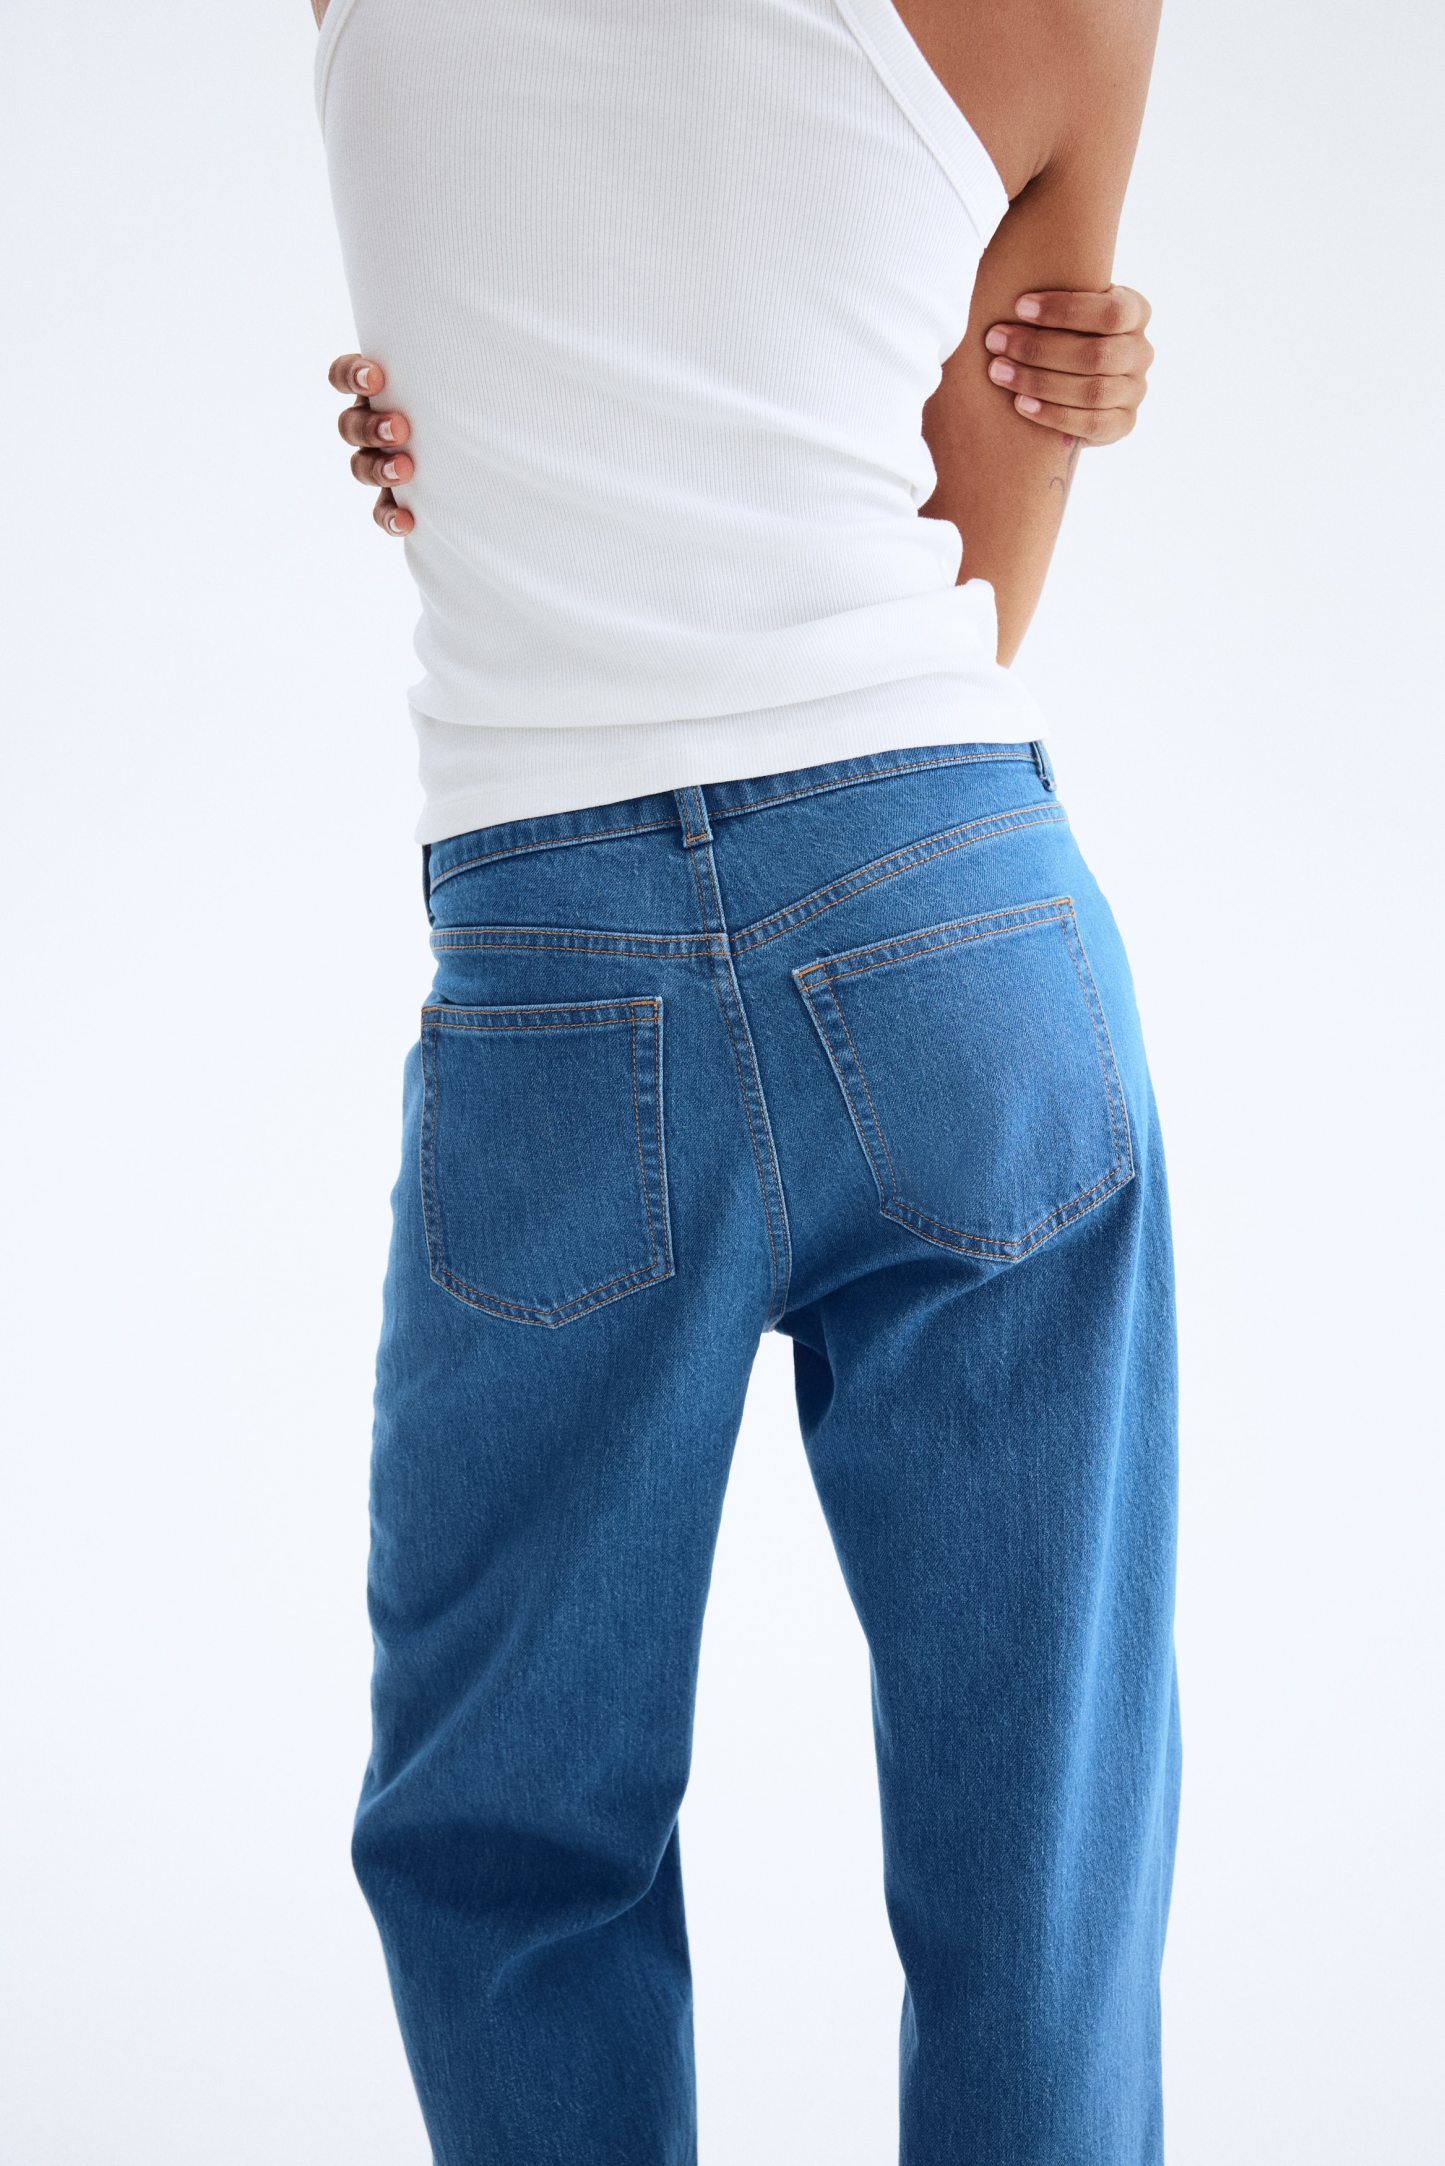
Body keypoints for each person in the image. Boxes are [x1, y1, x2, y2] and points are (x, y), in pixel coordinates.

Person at [310, 1, 1178, 2160]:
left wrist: (491, 449)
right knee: (1039, 1866)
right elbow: (978, 567)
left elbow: (504, 351)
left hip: (554, 966)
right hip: (953, 927)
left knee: (506, 1833)